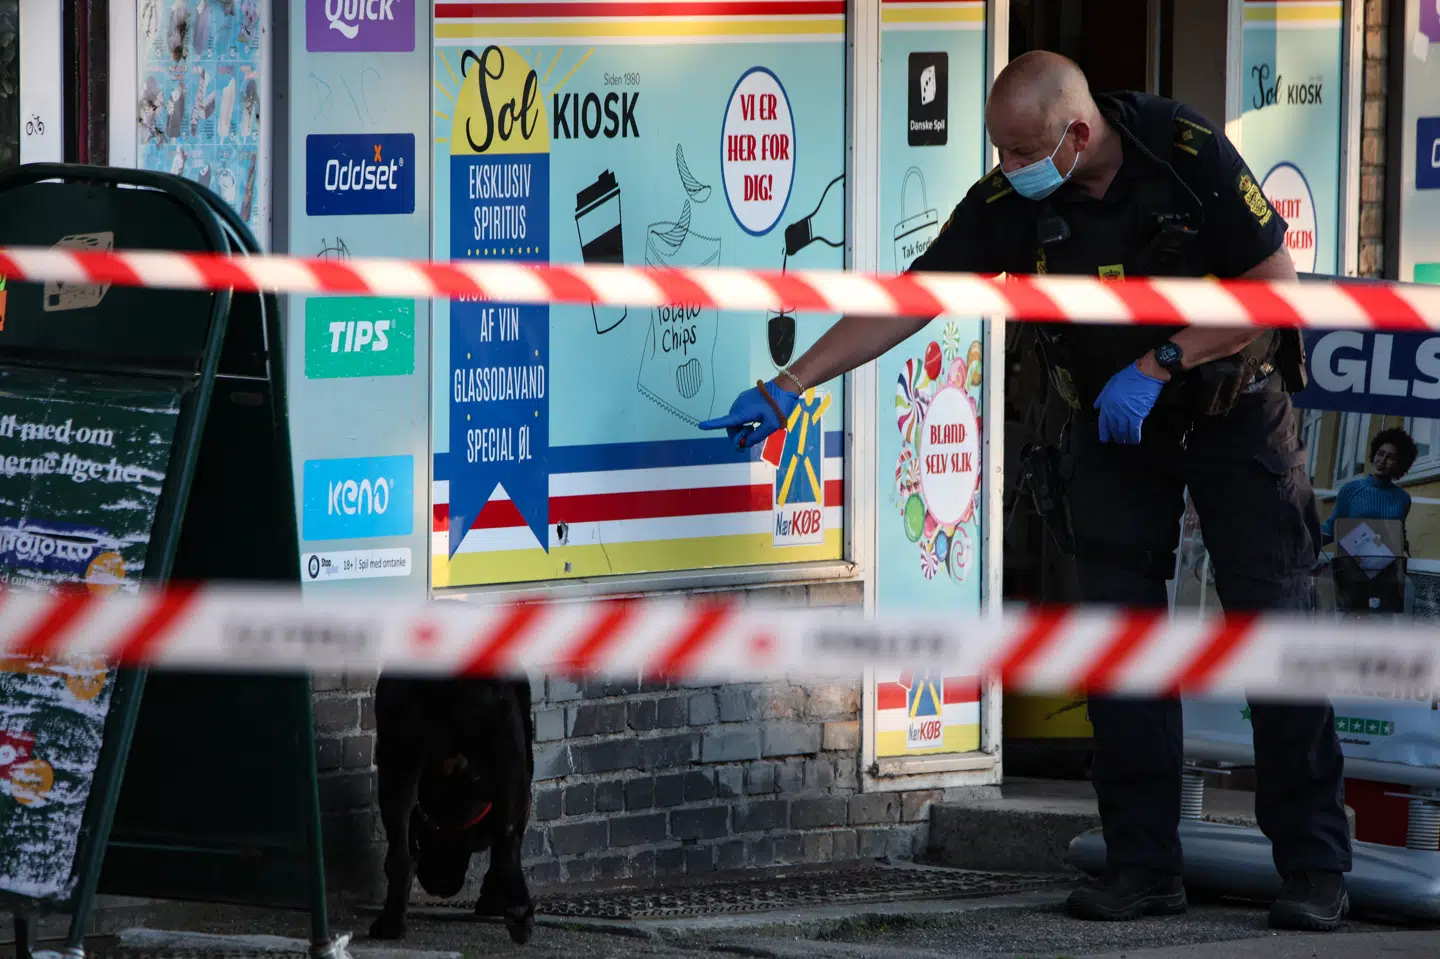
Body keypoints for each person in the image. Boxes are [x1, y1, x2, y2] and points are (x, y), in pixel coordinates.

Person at [699, 51, 1352, 932]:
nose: (1008, 171)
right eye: (999, 153)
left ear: (1078, 134)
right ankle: (1142, 867)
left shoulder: (1184, 151)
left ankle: (1314, 867)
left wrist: (1163, 361)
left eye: (1022, 152)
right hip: (1114, 431)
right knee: (1120, 646)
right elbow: (915, 295)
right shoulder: (1015, 201)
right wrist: (793, 382)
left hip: (1227, 409)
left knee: (1274, 636)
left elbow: (1276, 290)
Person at [1320, 427, 1416, 614]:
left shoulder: (1403, 498)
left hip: (1386, 578)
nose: (1382, 460)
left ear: (1400, 464)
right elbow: (1332, 527)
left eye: (1390, 457)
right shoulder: (1351, 490)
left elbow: (1396, 536)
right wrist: (1302, 544)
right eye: (1380, 454)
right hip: (1352, 573)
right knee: (1350, 627)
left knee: (1379, 632)